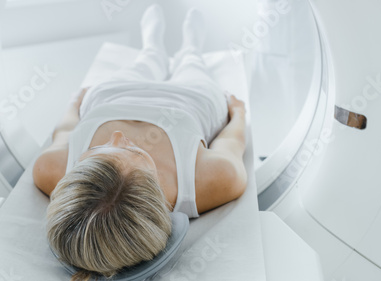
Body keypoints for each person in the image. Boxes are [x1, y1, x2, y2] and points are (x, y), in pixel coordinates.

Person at [33, 4, 247, 281]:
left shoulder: (50, 169)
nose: (120, 137)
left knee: (145, 63)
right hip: (192, 99)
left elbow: (65, 130)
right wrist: (239, 112)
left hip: (113, 95)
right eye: (135, 151)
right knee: (193, 65)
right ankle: (191, 47)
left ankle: (152, 47)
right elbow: (233, 140)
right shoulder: (212, 180)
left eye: (96, 151)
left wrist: (74, 104)